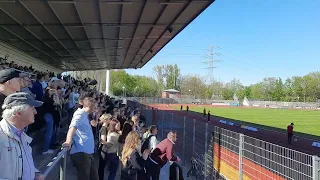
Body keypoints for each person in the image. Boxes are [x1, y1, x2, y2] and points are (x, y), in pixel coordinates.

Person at [0, 92, 44, 180]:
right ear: (18, 113)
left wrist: (35, 173)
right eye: (32, 108)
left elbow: (24, 162)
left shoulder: (21, 134)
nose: (35, 112)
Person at [62, 97, 99, 180]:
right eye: (95, 107)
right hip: (82, 152)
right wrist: (68, 141)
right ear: (90, 106)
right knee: (84, 177)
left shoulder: (85, 115)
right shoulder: (80, 114)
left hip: (88, 152)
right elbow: (72, 128)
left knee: (94, 176)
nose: (96, 109)